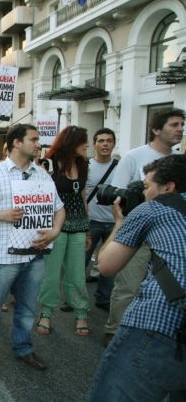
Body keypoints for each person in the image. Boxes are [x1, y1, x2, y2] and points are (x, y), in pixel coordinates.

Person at [88, 155, 186, 401]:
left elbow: (106, 265)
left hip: (161, 324)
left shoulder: (152, 208)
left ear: (168, 188)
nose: (144, 192)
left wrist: (120, 221)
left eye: (146, 186)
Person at [0, 124, 65, 374]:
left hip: (35, 254)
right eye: (33, 139)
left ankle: (23, 348)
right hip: (3, 255)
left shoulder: (42, 174)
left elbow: (59, 208)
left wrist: (54, 231)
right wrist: (1, 215)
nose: (38, 144)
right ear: (16, 143)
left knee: (27, 307)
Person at [103, 108, 184, 346]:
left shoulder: (180, 160)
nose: (180, 129)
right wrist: (123, 224)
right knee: (128, 286)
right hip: (137, 235)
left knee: (164, 289)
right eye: (174, 125)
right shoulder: (134, 156)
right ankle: (116, 332)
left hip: (171, 239)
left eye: (182, 124)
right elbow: (117, 197)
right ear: (156, 130)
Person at [37, 126, 91, 337]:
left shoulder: (83, 165)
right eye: (83, 141)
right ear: (72, 143)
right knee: (50, 274)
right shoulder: (49, 164)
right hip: (54, 227)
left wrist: (87, 231)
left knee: (77, 273)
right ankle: (46, 313)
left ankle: (81, 314)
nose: (87, 145)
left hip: (78, 225)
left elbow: (83, 197)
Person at [84, 128, 118, 310]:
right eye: (101, 141)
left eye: (109, 141)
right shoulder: (86, 166)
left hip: (113, 223)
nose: (105, 144)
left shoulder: (120, 167)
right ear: (95, 144)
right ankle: (74, 298)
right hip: (90, 222)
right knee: (80, 261)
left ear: (113, 144)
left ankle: (103, 298)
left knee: (108, 264)